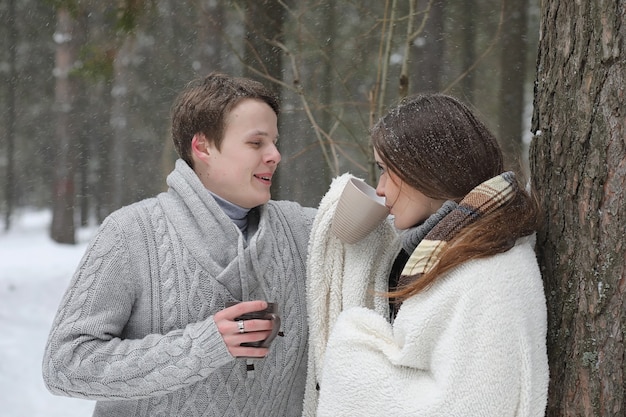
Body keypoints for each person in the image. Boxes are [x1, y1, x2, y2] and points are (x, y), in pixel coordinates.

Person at [42, 73, 316, 417]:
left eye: (275, 141)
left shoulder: (301, 228)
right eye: (256, 143)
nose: (275, 155)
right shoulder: (130, 234)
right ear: (202, 148)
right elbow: (65, 366)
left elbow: (392, 237)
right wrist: (204, 346)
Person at [305, 93, 549, 416]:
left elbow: (476, 405)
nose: (379, 189)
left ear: (426, 169)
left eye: (384, 170)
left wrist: (354, 362)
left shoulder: (490, 273)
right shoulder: (453, 250)